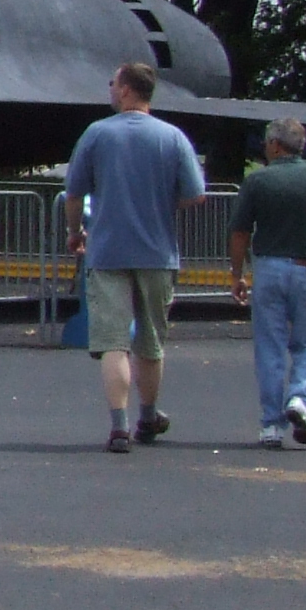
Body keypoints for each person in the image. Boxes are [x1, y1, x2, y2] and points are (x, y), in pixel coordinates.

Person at [62, 61, 206, 453]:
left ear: (126, 90)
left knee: (112, 343)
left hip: (108, 252)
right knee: (151, 343)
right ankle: (149, 414)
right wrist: (162, 200)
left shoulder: (96, 134)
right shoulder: (172, 137)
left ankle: (118, 427)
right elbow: (196, 194)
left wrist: (76, 233)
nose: (109, 88)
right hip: (158, 253)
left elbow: (73, 193)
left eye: (113, 82)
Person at [228, 116, 306, 447]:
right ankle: (299, 397)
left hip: (268, 266)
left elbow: (240, 232)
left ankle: (271, 424)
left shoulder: (258, 182)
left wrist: (237, 274)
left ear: (275, 145)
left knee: (270, 345)